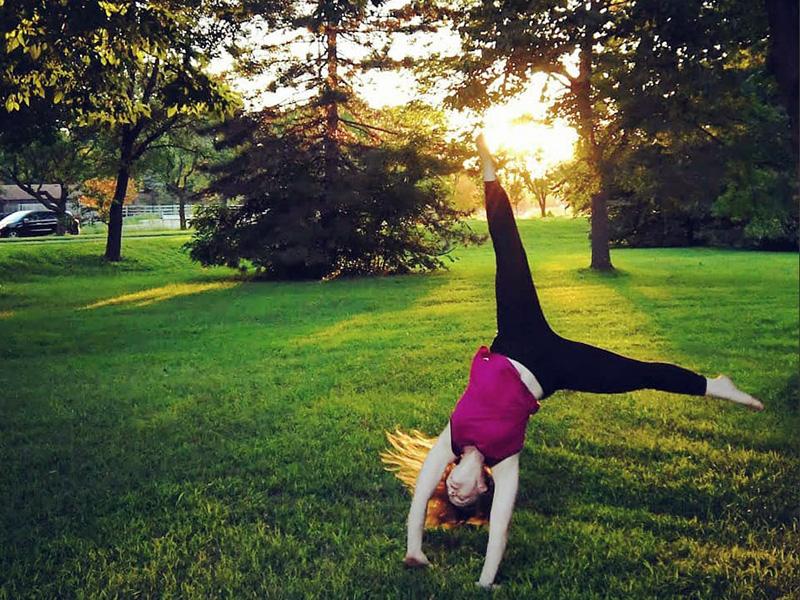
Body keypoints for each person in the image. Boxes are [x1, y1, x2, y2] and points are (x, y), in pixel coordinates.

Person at [393, 133, 764, 590]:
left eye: (451, 491)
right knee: (636, 373)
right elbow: (502, 528)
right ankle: (713, 385)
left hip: (516, 338)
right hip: (553, 370)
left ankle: (490, 174)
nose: (454, 491)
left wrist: (414, 546)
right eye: (465, 498)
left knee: (509, 253)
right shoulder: (505, 463)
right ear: (483, 489)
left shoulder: (450, 440)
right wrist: (485, 583)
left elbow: (417, 499)